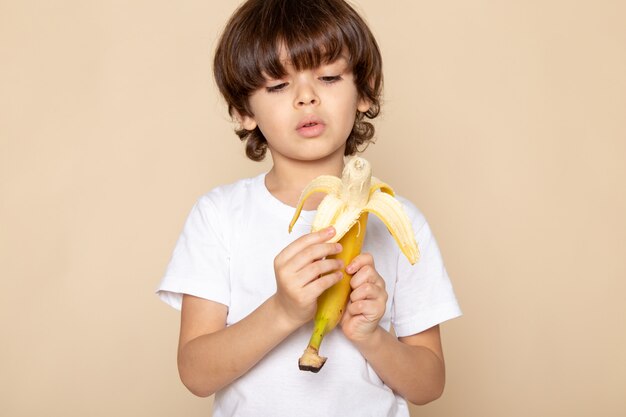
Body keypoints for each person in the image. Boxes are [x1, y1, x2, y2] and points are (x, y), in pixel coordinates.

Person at [156, 0, 461, 415]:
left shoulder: (399, 221)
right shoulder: (220, 215)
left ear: (365, 91)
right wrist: (282, 311)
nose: (306, 97)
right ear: (243, 111)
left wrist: (371, 335)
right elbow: (195, 373)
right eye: (278, 86)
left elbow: (428, 384)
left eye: (329, 76)